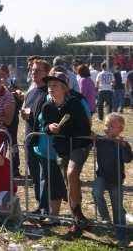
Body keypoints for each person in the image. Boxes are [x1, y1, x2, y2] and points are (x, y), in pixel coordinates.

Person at [41, 72, 94, 237]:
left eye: (55, 85)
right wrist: (49, 128)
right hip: (62, 149)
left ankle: (76, 217)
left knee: (72, 173)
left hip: (79, 146)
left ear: (64, 88)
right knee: (70, 183)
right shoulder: (47, 106)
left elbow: (85, 130)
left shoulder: (75, 104)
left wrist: (62, 130)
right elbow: (44, 126)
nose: (51, 88)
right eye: (49, 85)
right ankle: (78, 219)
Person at [91, 113, 132, 247]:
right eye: (106, 125)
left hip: (116, 179)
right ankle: (105, 217)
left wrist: (124, 145)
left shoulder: (122, 143)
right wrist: (92, 137)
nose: (107, 128)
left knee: (117, 208)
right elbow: (90, 139)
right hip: (102, 176)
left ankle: (121, 236)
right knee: (96, 192)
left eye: (111, 126)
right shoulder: (101, 140)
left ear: (120, 129)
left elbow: (128, 159)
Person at [22, 59, 51, 216]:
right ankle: (40, 204)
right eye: (33, 70)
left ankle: (46, 207)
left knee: (43, 175)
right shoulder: (31, 91)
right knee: (34, 173)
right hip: (29, 136)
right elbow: (26, 112)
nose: (34, 73)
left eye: (38, 70)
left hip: (42, 138)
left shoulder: (48, 92)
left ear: (47, 73)